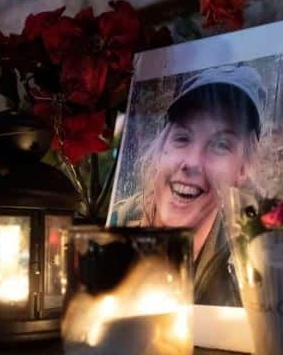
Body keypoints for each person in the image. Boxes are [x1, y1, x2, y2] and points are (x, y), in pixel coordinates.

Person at [110, 64, 265, 306]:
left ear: (242, 170)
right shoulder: (113, 229)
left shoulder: (250, 271)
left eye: (221, 145)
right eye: (182, 138)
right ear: (162, 148)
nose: (192, 163)